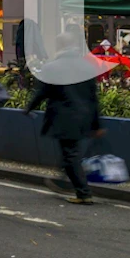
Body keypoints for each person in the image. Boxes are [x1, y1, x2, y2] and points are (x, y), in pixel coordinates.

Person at [24, 31, 103, 204]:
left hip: (64, 117)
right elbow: (93, 97)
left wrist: (29, 108)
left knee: (70, 154)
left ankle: (83, 192)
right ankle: (61, 179)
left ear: (59, 47)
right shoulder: (87, 66)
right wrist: (97, 124)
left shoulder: (52, 67)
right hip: (84, 117)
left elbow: (42, 92)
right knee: (71, 151)